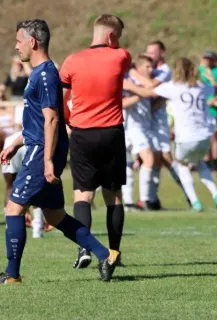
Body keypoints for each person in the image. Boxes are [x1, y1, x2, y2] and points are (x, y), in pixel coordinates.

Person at [0, 19, 116, 284]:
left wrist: (46, 161)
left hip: (42, 152)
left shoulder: (45, 74)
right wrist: (15, 143)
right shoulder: (39, 73)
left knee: (13, 208)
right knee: (55, 216)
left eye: (19, 40)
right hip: (38, 148)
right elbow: (37, 121)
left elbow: (53, 120)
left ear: (32, 42)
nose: (16, 46)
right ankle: (106, 254)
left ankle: (12, 275)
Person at [59, 14, 130, 272]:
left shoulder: (71, 61)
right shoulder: (121, 56)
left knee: (83, 195)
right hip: (111, 132)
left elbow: (61, 96)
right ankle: (113, 253)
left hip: (81, 133)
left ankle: (84, 248)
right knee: (113, 197)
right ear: (112, 36)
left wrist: (68, 121)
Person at [124, 57, 217, 212]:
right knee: (199, 163)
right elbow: (215, 91)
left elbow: (147, 91)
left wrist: (130, 85)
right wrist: (211, 79)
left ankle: (195, 201)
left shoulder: (173, 87)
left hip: (186, 137)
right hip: (205, 136)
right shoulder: (201, 86)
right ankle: (216, 194)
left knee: (182, 166)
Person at [127, 41, 188, 208]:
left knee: (162, 160)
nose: (151, 56)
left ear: (163, 53)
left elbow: (150, 86)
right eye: (148, 52)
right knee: (148, 160)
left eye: (154, 52)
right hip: (140, 124)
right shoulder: (139, 74)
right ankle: (145, 200)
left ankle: (152, 199)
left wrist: (134, 74)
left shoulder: (164, 71)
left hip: (157, 123)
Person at [124, 55, 158, 209]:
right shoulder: (127, 81)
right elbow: (121, 103)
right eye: (147, 67)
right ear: (137, 68)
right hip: (132, 127)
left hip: (145, 126)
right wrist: (141, 93)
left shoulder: (146, 82)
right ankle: (144, 200)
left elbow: (153, 89)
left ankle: (130, 201)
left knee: (129, 165)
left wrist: (140, 90)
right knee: (147, 158)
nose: (151, 70)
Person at [199, 50, 217, 170]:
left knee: (213, 135)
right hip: (200, 107)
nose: (207, 61)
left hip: (212, 109)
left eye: (209, 59)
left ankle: (215, 160)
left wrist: (210, 77)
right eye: (205, 58)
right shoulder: (199, 71)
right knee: (203, 135)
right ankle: (205, 159)